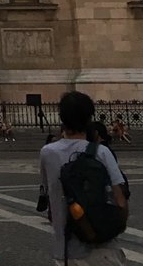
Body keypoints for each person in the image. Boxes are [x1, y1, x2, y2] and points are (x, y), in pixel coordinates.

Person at [39, 90, 128, 265]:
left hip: (66, 250)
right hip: (103, 247)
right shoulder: (102, 152)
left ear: (62, 119)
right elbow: (121, 199)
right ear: (89, 118)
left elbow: (47, 195)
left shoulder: (47, 153)